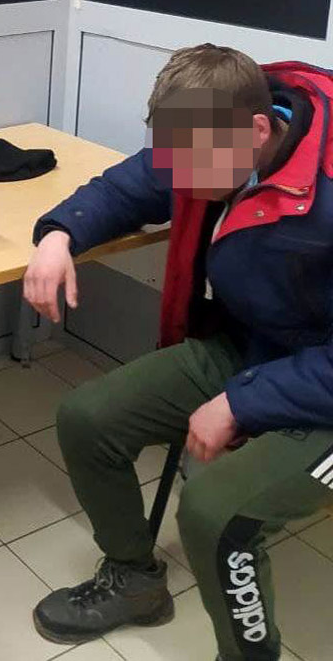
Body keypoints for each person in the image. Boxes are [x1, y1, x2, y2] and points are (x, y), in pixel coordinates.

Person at [24, 44, 333, 661]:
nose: (182, 181)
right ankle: (134, 580)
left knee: (215, 512)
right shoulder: (206, 139)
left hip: (320, 389)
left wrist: (240, 404)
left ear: (258, 130)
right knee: (89, 419)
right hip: (253, 352)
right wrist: (59, 234)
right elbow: (130, 185)